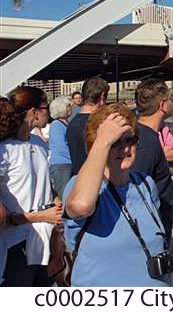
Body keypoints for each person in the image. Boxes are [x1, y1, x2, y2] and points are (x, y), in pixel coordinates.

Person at [63, 103, 171, 287]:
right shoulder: (80, 187)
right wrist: (103, 139)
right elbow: (81, 206)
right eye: (115, 142)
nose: (125, 148)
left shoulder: (145, 183)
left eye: (130, 140)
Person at [0, 87, 62, 286]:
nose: (49, 114)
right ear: (35, 112)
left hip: (46, 238)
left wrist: (55, 200)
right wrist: (39, 216)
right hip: (15, 243)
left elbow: (44, 184)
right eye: (46, 108)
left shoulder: (39, 143)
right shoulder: (5, 150)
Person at [134, 79, 173, 241]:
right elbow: (136, 191)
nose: (172, 103)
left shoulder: (140, 134)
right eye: (171, 99)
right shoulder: (147, 144)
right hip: (152, 231)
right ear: (162, 105)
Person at [68, 77, 109, 175]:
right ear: (102, 96)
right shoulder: (100, 124)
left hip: (77, 178)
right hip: (96, 178)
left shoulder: (71, 123)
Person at [47, 96, 73, 198]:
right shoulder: (56, 125)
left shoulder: (66, 124)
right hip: (61, 165)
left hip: (67, 163)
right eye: (68, 106)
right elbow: (61, 147)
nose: (71, 108)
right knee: (64, 195)